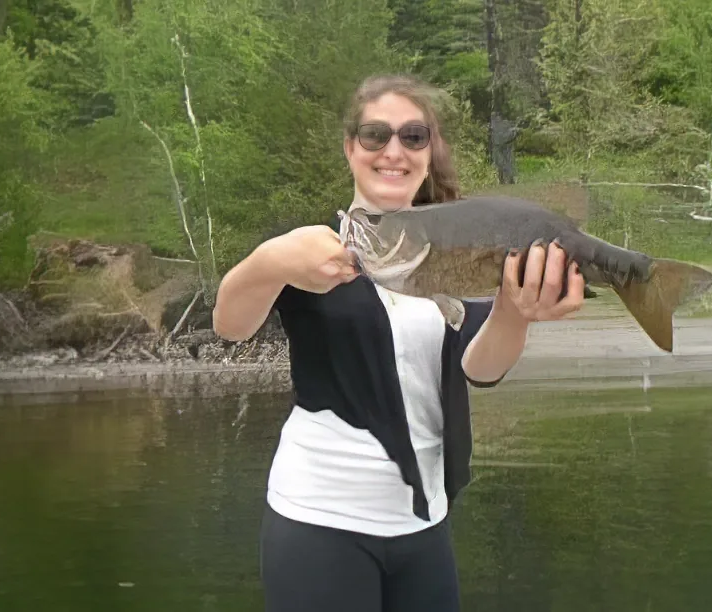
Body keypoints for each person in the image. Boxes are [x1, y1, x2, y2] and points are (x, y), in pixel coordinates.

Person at [212, 73, 586, 612]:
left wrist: (514, 313)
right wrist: (269, 261)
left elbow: (479, 369)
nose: (394, 150)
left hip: (424, 524)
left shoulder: (458, 250)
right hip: (318, 522)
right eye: (375, 135)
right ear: (350, 148)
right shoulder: (310, 247)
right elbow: (230, 324)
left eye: (413, 136)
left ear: (430, 154)